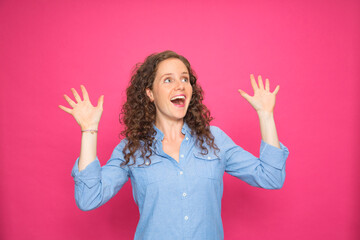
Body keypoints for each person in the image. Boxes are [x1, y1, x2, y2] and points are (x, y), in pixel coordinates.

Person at [59, 50, 289, 240]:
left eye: (184, 79)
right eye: (168, 80)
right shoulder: (132, 149)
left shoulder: (215, 140)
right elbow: (89, 198)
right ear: (150, 93)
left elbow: (271, 176)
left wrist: (266, 115)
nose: (179, 85)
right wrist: (89, 130)